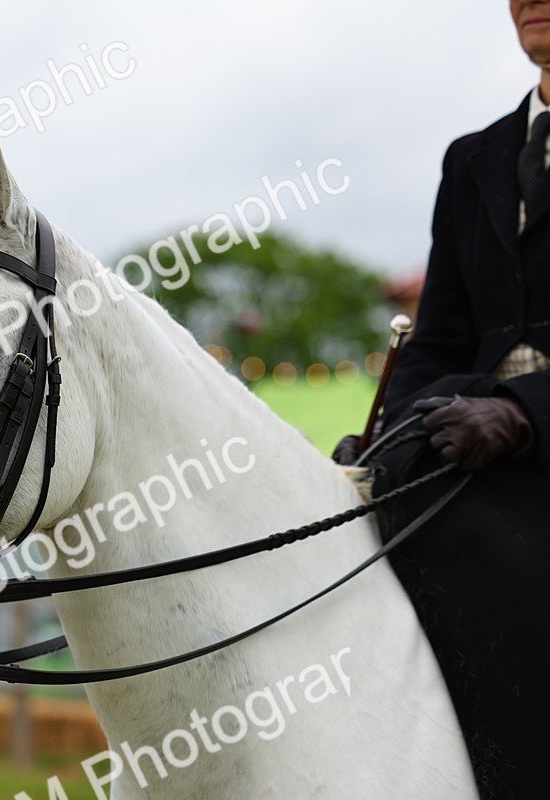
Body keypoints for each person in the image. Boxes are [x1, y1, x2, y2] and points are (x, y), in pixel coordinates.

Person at [334, 4, 550, 797]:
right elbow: (438, 336)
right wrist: (393, 435)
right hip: (470, 431)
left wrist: (525, 413)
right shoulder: (473, 159)